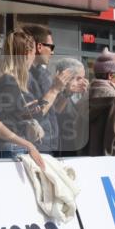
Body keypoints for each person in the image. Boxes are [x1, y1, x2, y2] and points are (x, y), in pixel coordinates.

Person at [0, 31, 47, 169]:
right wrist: (29, 145)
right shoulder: (8, 81)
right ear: (26, 54)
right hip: (9, 151)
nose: (34, 58)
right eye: (34, 53)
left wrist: (21, 113)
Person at [22, 24, 75, 155]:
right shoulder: (23, 76)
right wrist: (55, 89)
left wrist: (67, 93)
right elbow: (34, 114)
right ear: (39, 47)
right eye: (51, 47)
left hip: (51, 145)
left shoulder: (44, 74)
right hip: (35, 146)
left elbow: (54, 110)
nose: (52, 52)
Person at [53, 58, 89, 157]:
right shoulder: (54, 91)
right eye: (78, 78)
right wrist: (67, 93)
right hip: (61, 151)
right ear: (66, 76)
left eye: (83, 77)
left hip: (76, 148)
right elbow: (55, 114)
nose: (83, 82)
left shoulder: (79, 94)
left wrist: (86, 96)